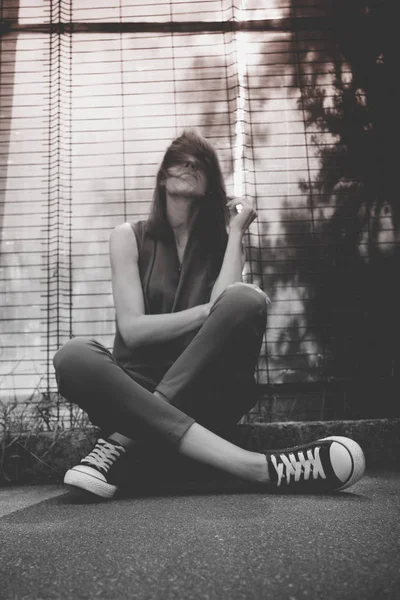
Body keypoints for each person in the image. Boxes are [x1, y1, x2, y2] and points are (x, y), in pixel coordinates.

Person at [53, 130, 365, 499]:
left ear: (213, 184)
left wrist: (235, 233)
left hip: (205, 390)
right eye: (179, 158)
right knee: (72, 356)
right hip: (135, 386)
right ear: (162, 175)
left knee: (247, 299)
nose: (187, 165)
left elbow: (231, 310)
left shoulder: (223, 245)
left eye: (198, 163)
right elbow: (133, 330)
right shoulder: (128, 236)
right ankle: (258, 468)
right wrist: (208, 311)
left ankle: (121, 443)